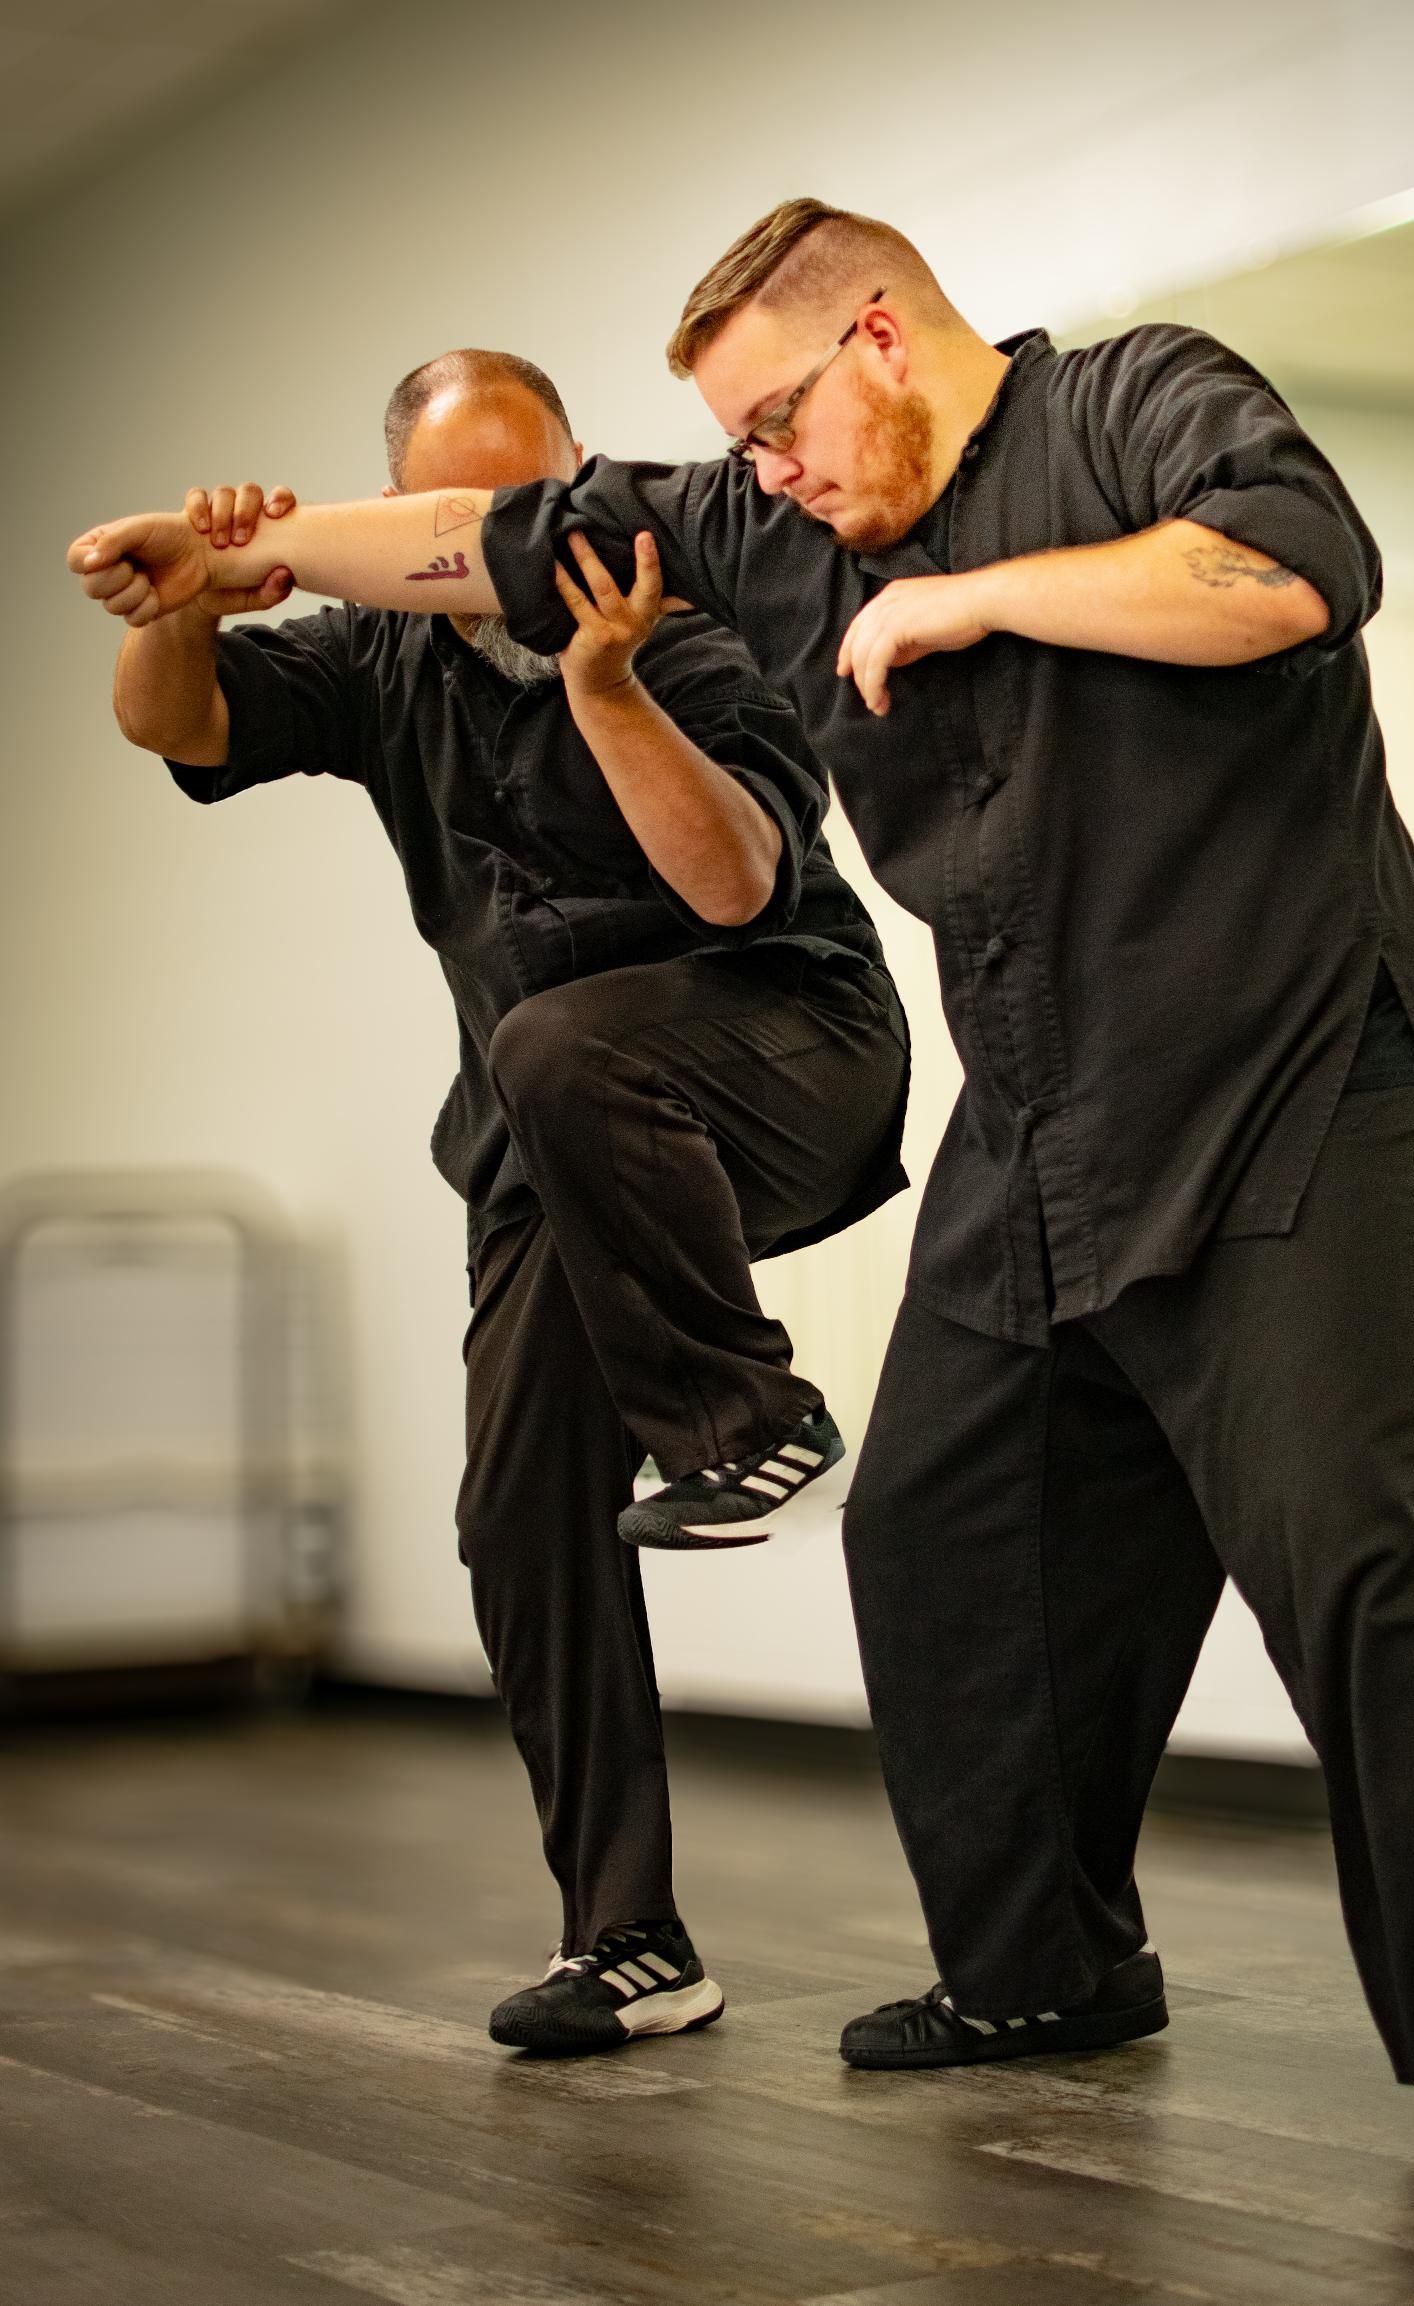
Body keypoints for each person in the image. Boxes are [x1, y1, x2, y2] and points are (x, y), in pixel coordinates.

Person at [69, 212, 1414, 2247]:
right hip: (1043, 1106)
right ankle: (1046, 1963)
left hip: (1295, 1078)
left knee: (1352, 1545)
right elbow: (490, 545)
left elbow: (1285, 573)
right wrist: (248, 568)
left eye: (781, 423)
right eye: (739, 445)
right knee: (939, 1524)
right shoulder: (769, 524)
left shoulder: (1135, 399)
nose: (767, 473)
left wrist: (974, 600)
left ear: (882, 338)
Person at [79, 344, 910, 2059]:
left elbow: (740, 881)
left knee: (559, 1043)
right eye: (456, 511)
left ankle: (752, 1413)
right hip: (555, 1127)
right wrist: (182, 597)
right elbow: (183, 717)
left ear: (579, 479)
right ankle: (630, 1941)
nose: (502, 535)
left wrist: (610, 689)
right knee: (518, 1513)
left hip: (783, 1058)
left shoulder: (687, 626)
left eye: (524, 497)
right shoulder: (388, 653)